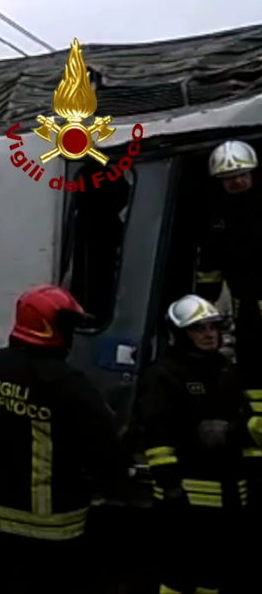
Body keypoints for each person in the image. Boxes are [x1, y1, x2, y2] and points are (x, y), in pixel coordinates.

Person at [0, 285, 118, 594]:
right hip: (54, 529)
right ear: (49, 326)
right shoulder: (68, 383)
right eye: (68, 326)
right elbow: (104, 447)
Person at [133, 294, 252, 594]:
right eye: (199, 329)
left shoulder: (225, 369)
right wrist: (170, 486)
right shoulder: (164, 375)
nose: (210, 334)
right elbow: (157, 435)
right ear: (180, 334)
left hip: (228, 495)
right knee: (178, 577)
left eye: (213, 326)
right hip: (185, 498)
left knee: (213, 576)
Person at [194, 140, 262, 441]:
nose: (237, 180)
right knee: (251, 363)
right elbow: (210, 264)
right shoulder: (215, 216)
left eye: (242, 174)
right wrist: (203, 305)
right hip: (245, 304)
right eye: (229, 177)